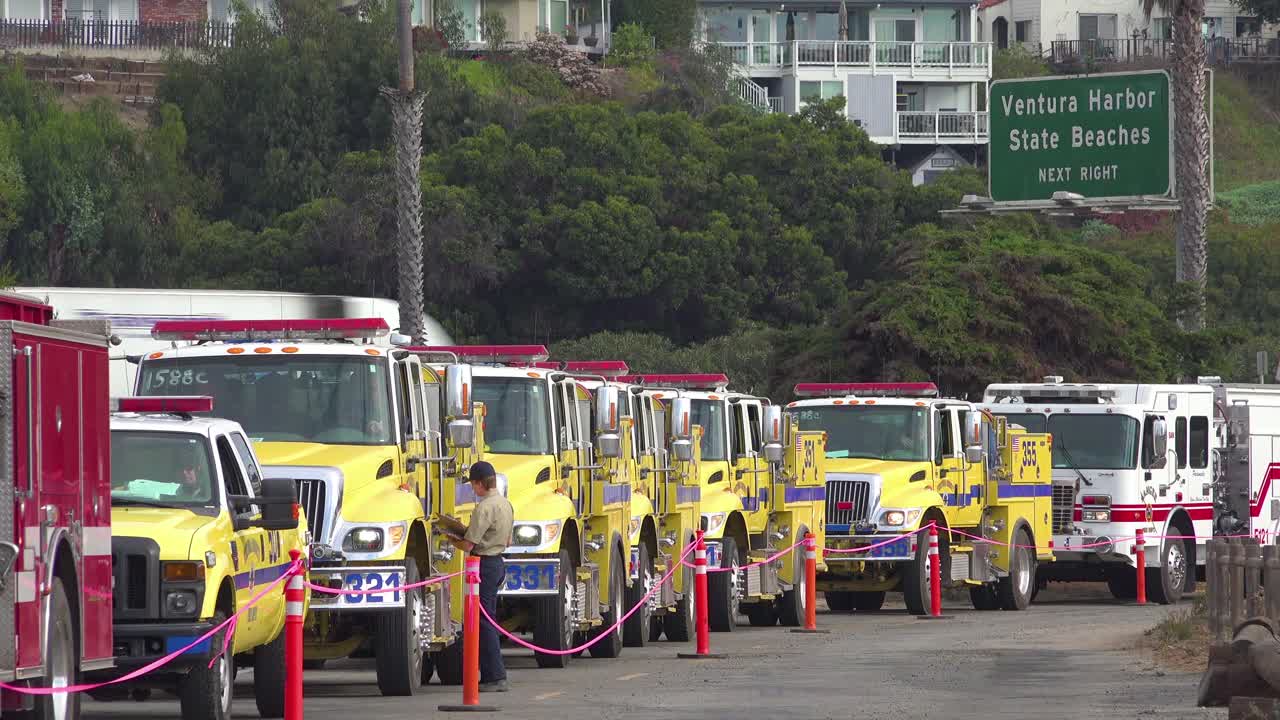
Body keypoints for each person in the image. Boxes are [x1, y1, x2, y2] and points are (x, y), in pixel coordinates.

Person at [447, 461, 514, 692]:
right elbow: (508, 541)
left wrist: (450, 537)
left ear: (478, 483)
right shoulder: (506, 504)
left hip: (483, 565)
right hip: (497, 563)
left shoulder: (484, 507)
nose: (472, 490)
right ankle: (491, 675)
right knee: (488, 619)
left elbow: (468, 544)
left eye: (472, 485)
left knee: (483, 622)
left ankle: (495, 676)